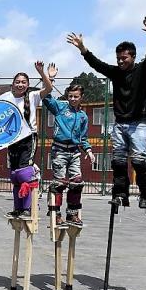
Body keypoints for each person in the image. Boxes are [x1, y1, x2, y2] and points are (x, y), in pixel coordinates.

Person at [67, 15, 146, 209]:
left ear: (133, 57)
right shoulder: (116, 72)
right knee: (118, 160)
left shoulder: (143, 70)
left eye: (124, 58)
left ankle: (145, 195)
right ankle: (120, 194)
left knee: (139, 160)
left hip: (139, 122)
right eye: (118, 58)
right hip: (120, 122)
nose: (120, 61)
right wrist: (83, 49)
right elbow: (97, 64)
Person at [0, 62, 53, 219]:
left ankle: (28, 207)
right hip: (12, 139)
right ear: (13, 84)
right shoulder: (6, 99)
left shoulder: (32, 96)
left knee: (24, 173)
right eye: (18, 81)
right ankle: (18, 208)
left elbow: (48, 89)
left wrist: (42, 73)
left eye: (23, 82)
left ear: (28, 84)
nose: (20, 84)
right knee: (15, 174)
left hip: (28, 138)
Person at [43, 80, 95, 227]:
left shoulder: (83, 116)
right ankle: (56, 214)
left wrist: (89, 151)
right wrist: (49, 80)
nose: (72, 99)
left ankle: (72, 214)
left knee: (77, 183)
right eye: (70, 96)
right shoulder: (60, 107)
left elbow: (83, 138)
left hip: (74, 151)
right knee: (59, 183)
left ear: (81, 97)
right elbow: (46, 97)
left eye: (75, 96)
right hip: (59, 150)